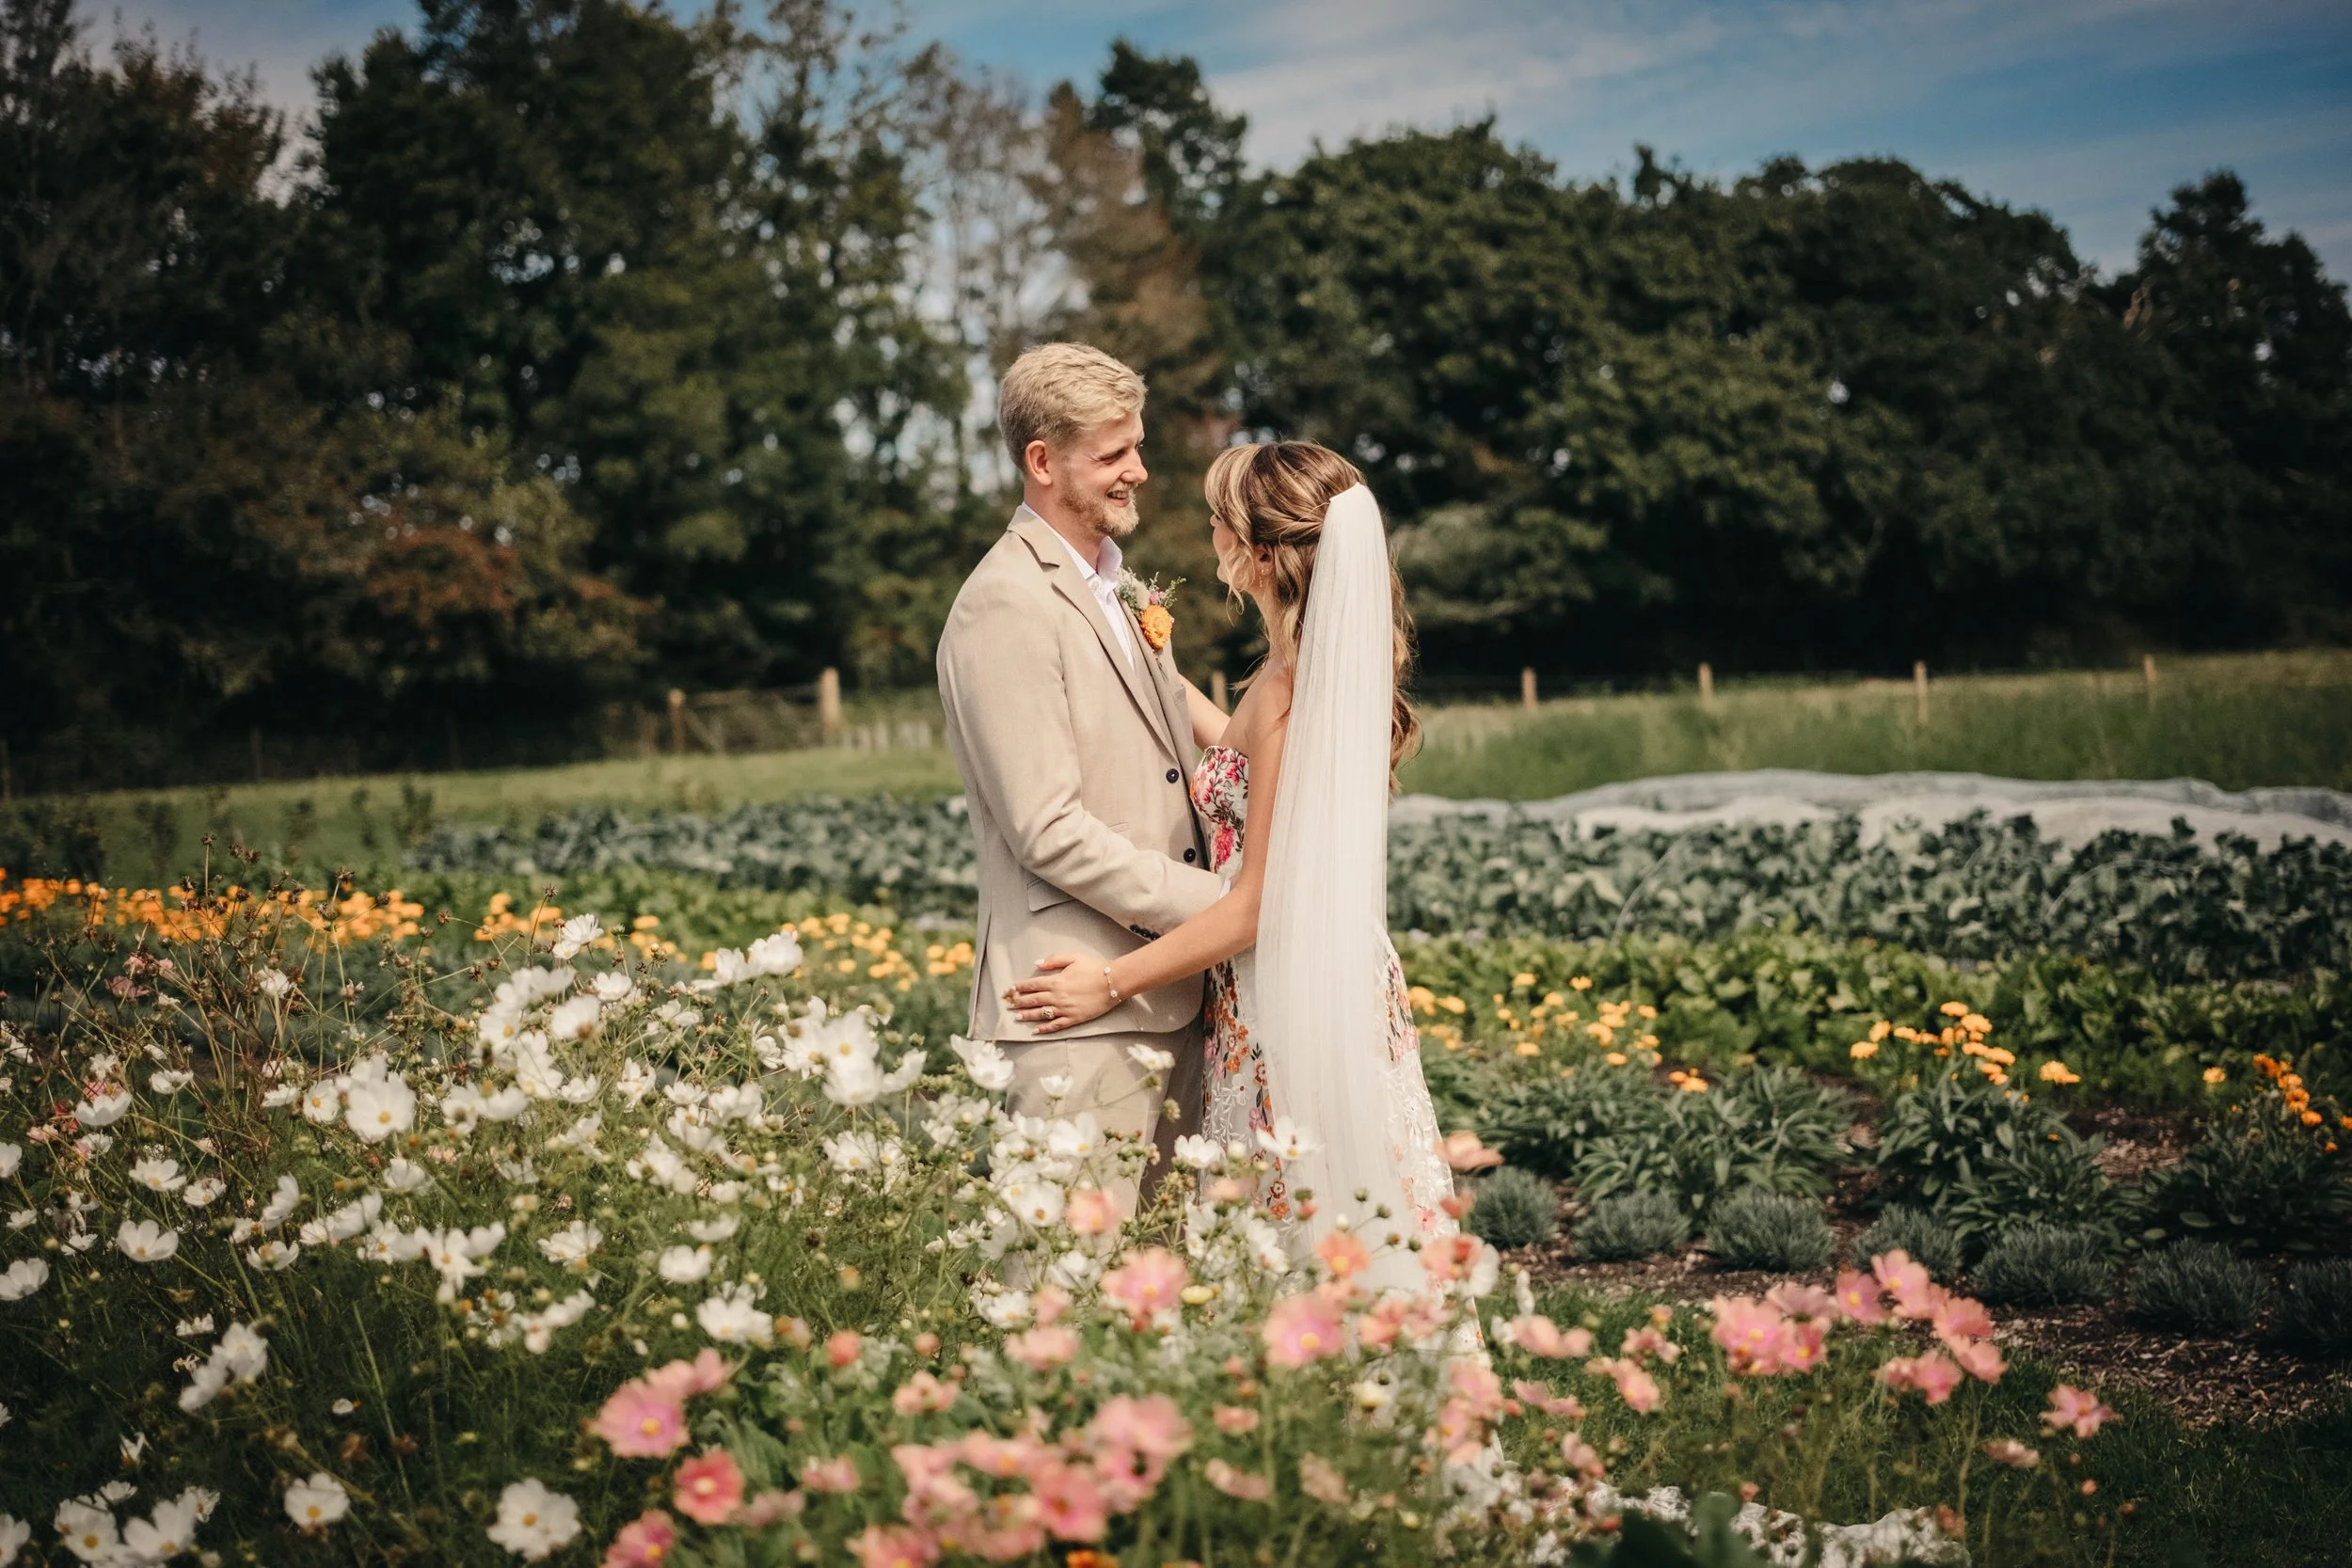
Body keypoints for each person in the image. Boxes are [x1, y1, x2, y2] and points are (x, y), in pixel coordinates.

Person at [1008, 439, 1458, 1289]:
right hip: (1303, 975)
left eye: (1219, 516)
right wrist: (1145, 656)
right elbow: (1237, 758)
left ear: (1258, 551)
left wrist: (1108, 982)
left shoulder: (1292, 696)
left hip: (1290, 992)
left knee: (1309, 1225)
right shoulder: (1294, 677)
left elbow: (1256, 904)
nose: (1205, 528)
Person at [934, 342, 1225, 1215]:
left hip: (1171, 993)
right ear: (1042, 461)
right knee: (1062, 1305)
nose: (1138, 470)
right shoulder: (1004, 605)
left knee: (1168, 1297)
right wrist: (1222, 905)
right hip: (1077, 1010)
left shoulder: (1119, 588)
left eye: (1135, 446)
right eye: (1112, 454)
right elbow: (1047, 827)